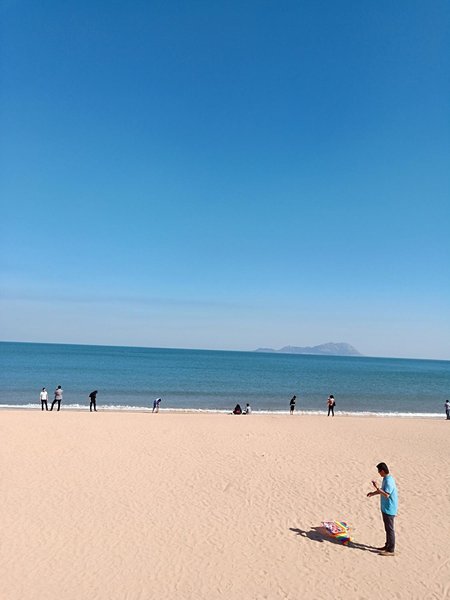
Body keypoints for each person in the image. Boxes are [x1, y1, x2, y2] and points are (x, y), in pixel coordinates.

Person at [366, 462, 398, 556]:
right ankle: (387, 545)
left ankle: (391, 550)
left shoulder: (389, 481)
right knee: (387, 528)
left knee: (390, 529)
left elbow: (386, 494)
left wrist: (376, 487)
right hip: (385, 508)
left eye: (379, 471)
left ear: (383, 471)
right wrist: (373, 493)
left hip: (389, 508)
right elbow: (382, 491)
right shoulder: (386, 479)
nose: (378, 473)